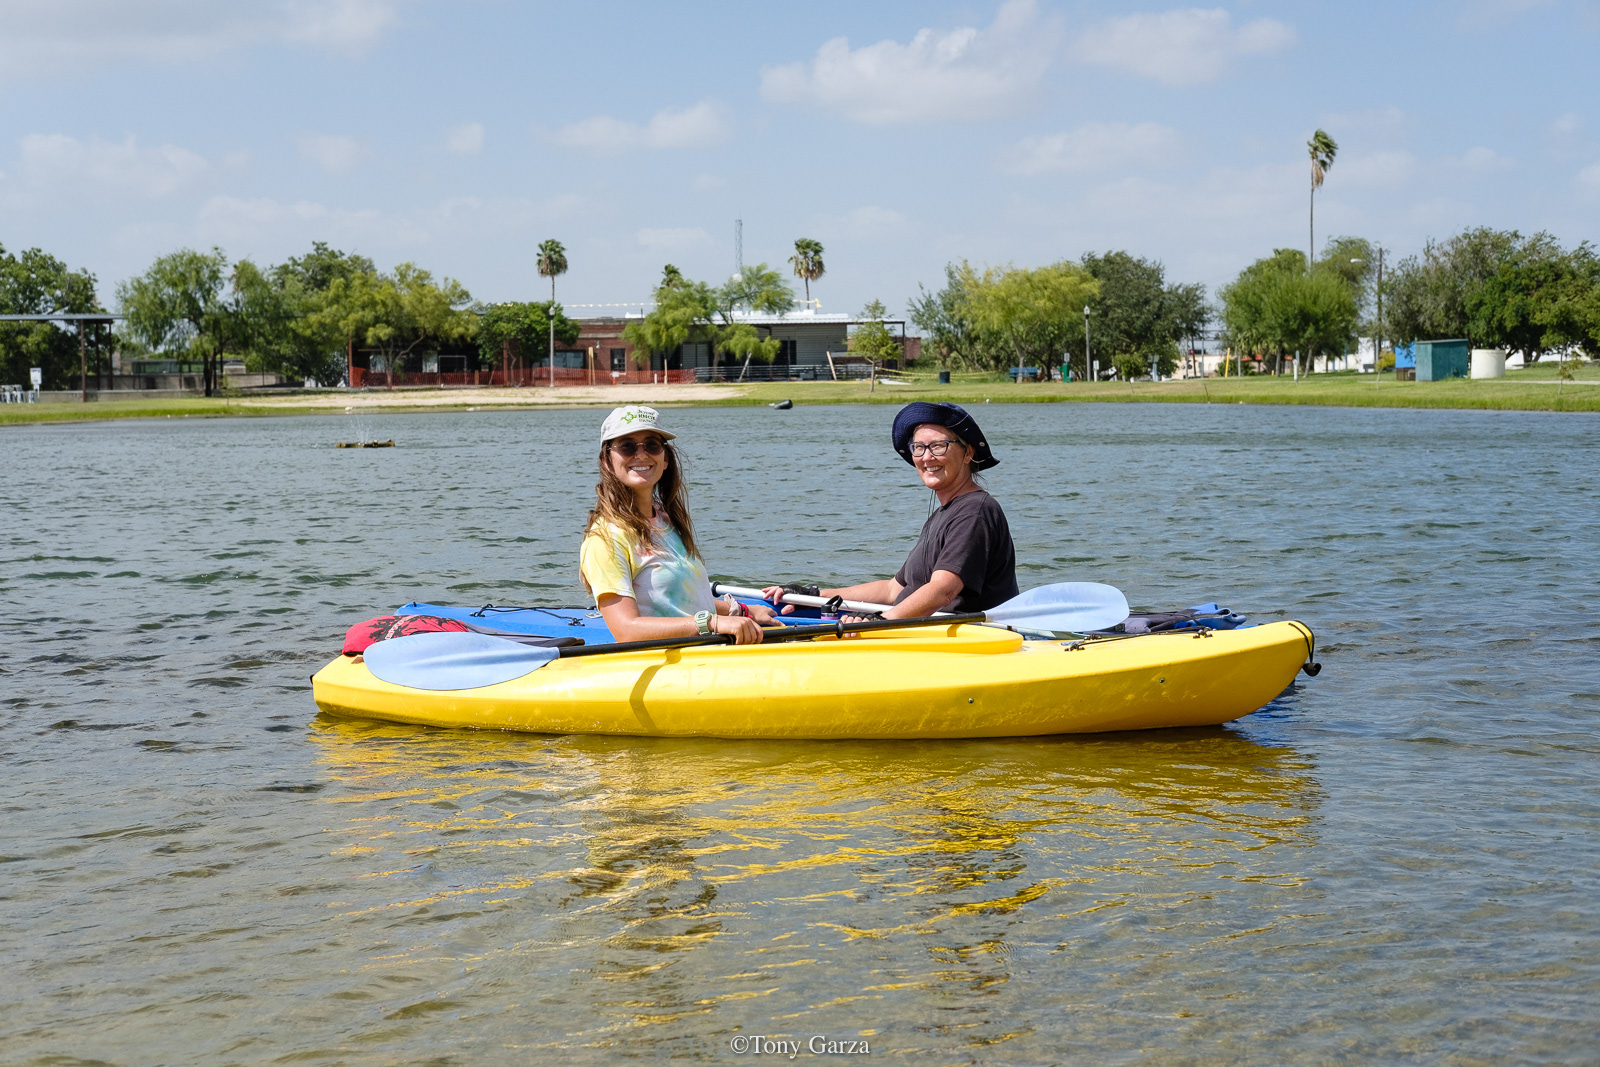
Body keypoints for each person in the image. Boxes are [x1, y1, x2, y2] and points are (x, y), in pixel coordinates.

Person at [764, 402, 1018, 619]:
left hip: (965, 641)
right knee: (776, 608)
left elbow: (943, 591)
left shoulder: (975, 512)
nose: (926, 457)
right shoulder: (943, 514)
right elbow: (892, 590)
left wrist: (879, 622)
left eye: (938, 446)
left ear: (968, 453)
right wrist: (814, 596)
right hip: (914, 629)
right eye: (918, 447)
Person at [580, 405, 777, 644]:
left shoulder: (667, 520)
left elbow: (677, 600)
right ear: (607, 461)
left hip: (705, 651)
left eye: (652, 445)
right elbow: (626, 630)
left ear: (665, 460)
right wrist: (712, 623)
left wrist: (742, 611)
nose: (641, 455)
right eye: (627, 446)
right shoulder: (605, 539)